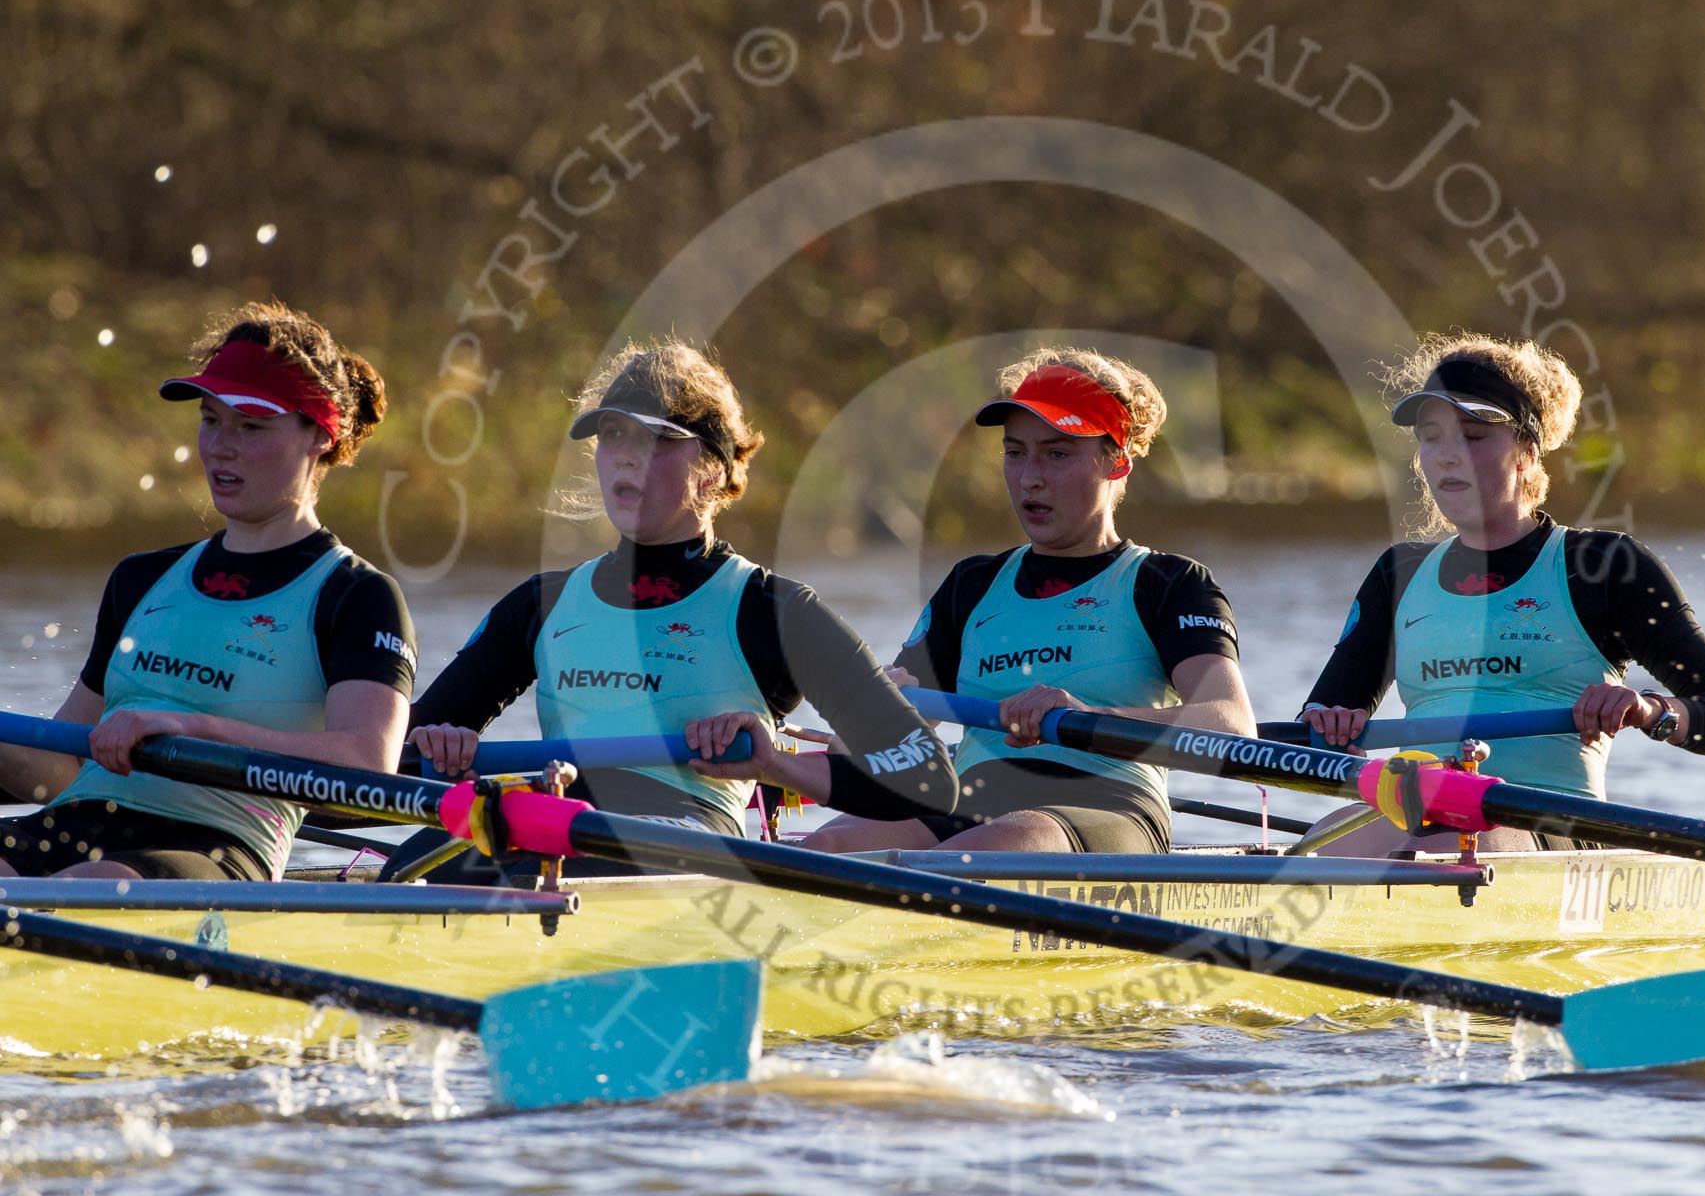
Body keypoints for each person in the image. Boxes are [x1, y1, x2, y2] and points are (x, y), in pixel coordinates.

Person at [393, 337, 957, 877]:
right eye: (613, 435)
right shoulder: (542, 605)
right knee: (410, 860)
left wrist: (773, 765)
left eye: (657, 439)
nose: (627, 458)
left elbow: (927, 776)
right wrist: (437, 756)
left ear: (714, 467)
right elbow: (383, 768)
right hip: (550, 828)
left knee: (548, 839)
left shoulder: (771, 611)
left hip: (687, 846)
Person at [1296, 332, 1705, 855]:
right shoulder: (1398, 573)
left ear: (1527, 451)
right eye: (1432, 437)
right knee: (1321, 840)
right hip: (1421, 819)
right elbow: (1302, 741)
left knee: (1447, 832)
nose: (1448, 456)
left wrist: (1651, 711)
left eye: (1473, 437)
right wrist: (1330, 727)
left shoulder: (1602, 567)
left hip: (1558, 831)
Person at [0, 304, 413, 880]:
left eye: (251, 426)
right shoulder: (140, 578)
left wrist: (194, 727)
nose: (221, 446)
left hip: (219, 845)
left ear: (320, 434)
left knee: (87, 886)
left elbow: (370, 767)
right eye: (211, 419)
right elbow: (67, 763)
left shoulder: (356, 595)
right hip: (77, 819)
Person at [803, 349, 1254, 856]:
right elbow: (880, 743)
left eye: (1056, 454)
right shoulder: (973, 584)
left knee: (1009, 840)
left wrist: (1086, 715)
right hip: (970, 797)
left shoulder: (1167, 583)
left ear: (1116, 460)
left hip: (1107, 803)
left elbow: (1229, 723)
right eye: (1015, 452)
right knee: (829, 844)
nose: (1028, 477)